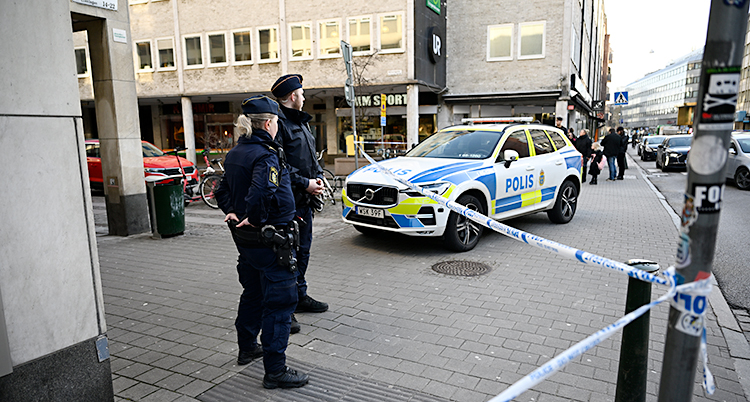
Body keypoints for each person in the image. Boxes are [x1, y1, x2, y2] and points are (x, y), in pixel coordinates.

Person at [214, 95, 309, 389]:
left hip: (248, 243)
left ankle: (247, 347)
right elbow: (261, 191)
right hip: (271, 242)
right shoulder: (266, 154)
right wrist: (254, 217)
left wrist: (231, 210)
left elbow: (220, 189)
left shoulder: (235, 153)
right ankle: (276, 371)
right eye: (277, 121)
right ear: (269, 123)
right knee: (280, 303)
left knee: (253, 293)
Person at [271, 74, 328, 332]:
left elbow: (311, 158)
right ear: (293, 96)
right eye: (302, 93)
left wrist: (318, 177)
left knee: (303, 252)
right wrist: (304, 182)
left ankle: (300, 296)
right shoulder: (278, 125)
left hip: (305, 202)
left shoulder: (302, 123)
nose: (304, 97)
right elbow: (279, 166)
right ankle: (287, 306)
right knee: (287, 257)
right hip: (287, 203)